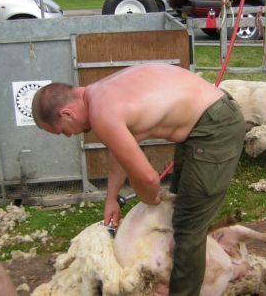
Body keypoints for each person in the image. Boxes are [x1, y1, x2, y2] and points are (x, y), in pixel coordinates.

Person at [32, 63, 245, 296]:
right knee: (176, 212)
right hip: (205, 121)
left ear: (67, 113)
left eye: (63, 130)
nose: (69, 135)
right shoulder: (99, 93)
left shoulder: (101, 112)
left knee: (188, 226)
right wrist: (111, 198)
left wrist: (149, 197)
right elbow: (119, 149)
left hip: (215, 127)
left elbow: (147, 178)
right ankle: (177, 272)